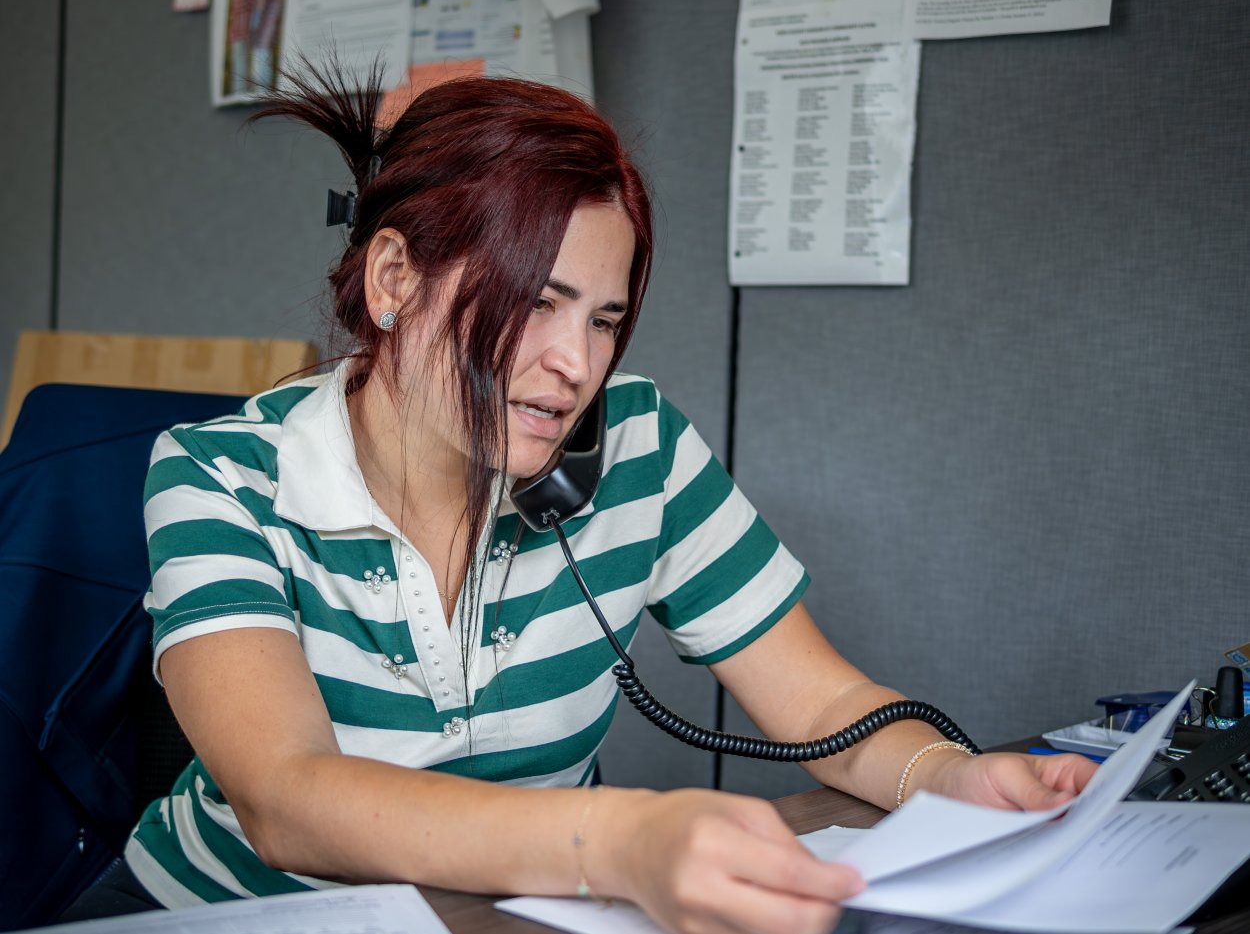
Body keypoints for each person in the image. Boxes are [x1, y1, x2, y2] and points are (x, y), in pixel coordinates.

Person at [61, 66, 1096, 933]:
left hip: (513, 912)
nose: (573, 367)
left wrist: (945, 778)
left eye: (602, 320)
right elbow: (287, 798)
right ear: (392, 279)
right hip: (232, 912)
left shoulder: (634, 444)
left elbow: (819, 704)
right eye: (534, 303)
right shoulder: (217, 471)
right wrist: (621, 843)